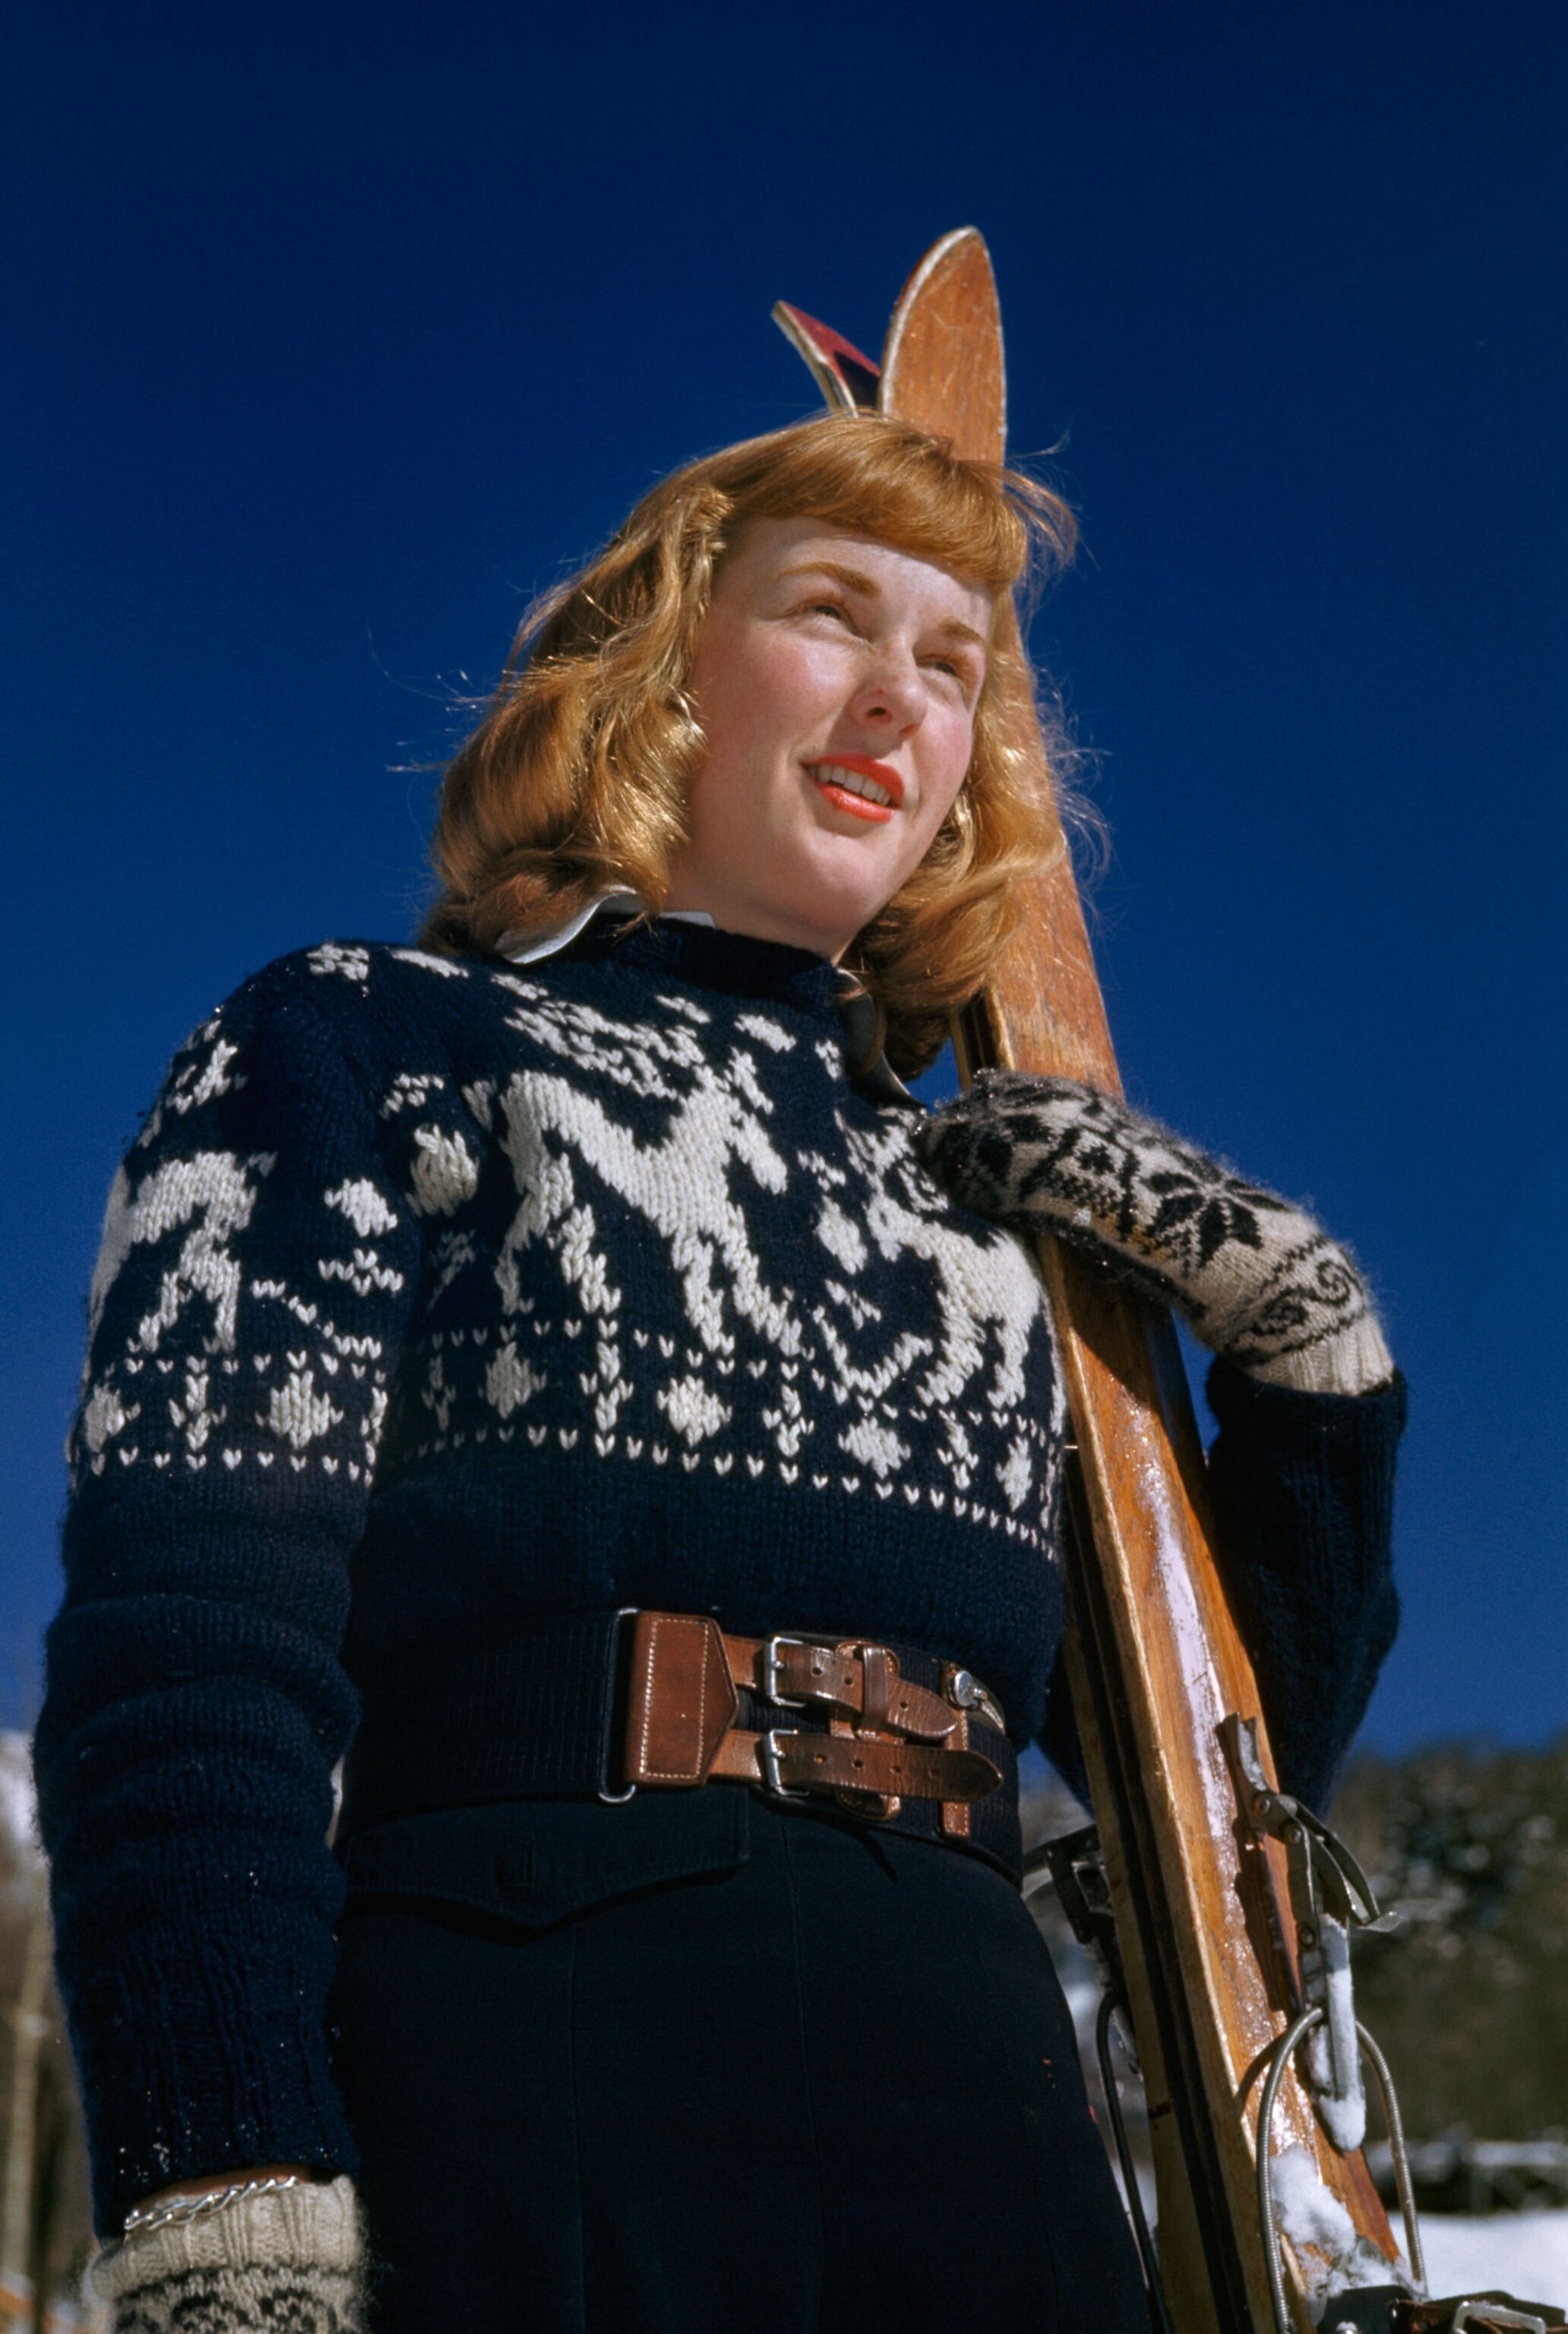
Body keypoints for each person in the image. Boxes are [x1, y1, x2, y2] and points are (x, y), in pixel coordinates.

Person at [34, 410, 1404, 2334]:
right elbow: (187, 1646)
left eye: (954, 667)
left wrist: (1303, 1352)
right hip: (521, 2085)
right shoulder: (364, 1047)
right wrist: (224, 2182)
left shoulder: (998, 1231)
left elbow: (1219, 1794)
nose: (897, 699)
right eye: (834, 615)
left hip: (985, 2121)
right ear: (660, 662)